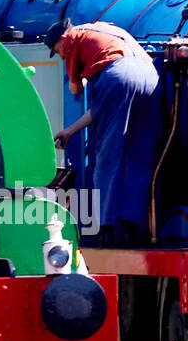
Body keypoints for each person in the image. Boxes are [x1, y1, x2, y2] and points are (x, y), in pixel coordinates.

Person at [48, 18, 161, 244]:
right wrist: (70, 131)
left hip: (118, 76)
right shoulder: (108, 30)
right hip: (151, 77)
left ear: (62, 39)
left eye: (56, 51)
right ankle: (130, 227)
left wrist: (75, 73)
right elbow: (102, 107)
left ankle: (106, 229)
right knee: (139, 156)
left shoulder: (72, 39)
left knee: (108, 156)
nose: (60, 56)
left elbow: (75, 89)